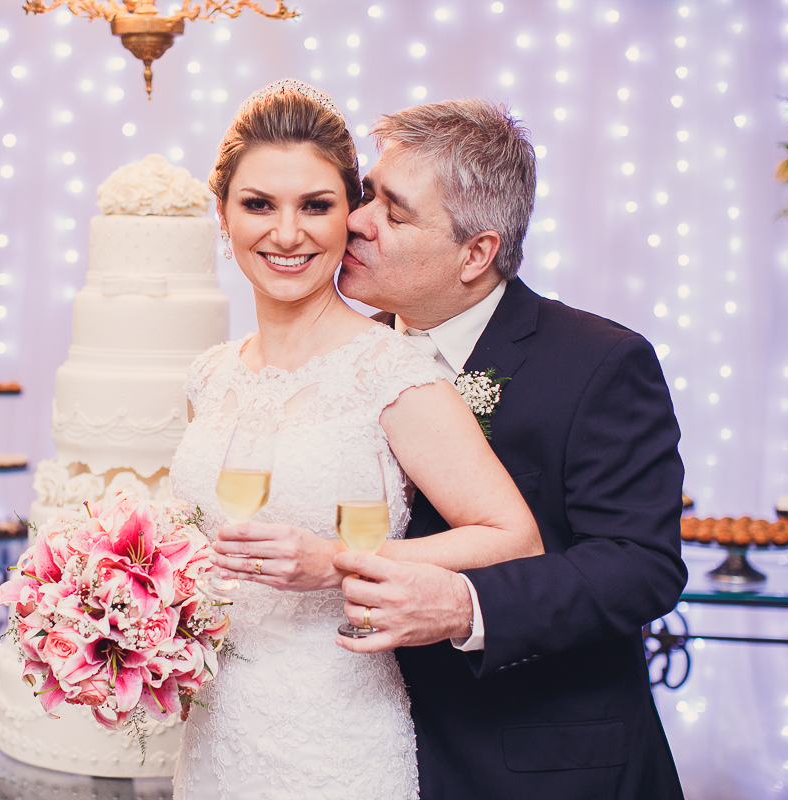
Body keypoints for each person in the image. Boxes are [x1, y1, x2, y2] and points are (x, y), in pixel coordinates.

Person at [169, 80, 542, 800]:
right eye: (257, 205)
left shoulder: (390, 368)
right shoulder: (208, 376)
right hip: (215, 731)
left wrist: (339, 563)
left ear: (350, 217)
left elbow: (513, 537)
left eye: (316, 205)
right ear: (223, 217)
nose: (286, 233)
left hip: (335, 737)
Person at [328, 99, 689, 799]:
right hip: (365, 748)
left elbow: (640, 565)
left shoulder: (601, 362)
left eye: (394, 212)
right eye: (367, 193)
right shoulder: (340, 354)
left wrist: (469, 606)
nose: (356, 220)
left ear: (477, 253)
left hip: (537, 762)